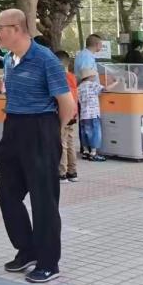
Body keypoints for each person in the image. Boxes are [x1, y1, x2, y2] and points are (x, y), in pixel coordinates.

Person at [0, 9, 76, 284]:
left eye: (0, 28)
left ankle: (48, 262)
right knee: (6, 193)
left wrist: (52, 131)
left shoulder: (44, 59)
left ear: (17, 28)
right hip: (13, 128)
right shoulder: (9, 59)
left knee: (43, 199)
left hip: (41, 128)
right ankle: (27, 249)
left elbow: (67, 104)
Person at [55, 50, 79, 184]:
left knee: (62, 144)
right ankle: (72, 172)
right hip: (73, 114)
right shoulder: (72, 77)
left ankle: (61, 173)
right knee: (70, 143)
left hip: (63, 114)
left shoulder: (59, 79)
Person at [77, 67, 107, 162]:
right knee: (95, 133)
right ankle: (93, 153)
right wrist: (117, 82)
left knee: (85, 133)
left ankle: (85, 152)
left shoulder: (79, 87)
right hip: (93, 113)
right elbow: (105, 89)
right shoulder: (93, 85)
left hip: (83, 114)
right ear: (90, 76)